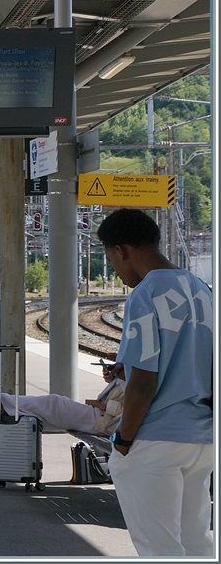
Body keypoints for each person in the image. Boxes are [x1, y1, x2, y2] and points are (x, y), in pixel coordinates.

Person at [99, 208, 212, 558]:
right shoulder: (201, 289)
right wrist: (127, 369)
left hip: (155, 439)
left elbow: (144, 383)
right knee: (196, 543)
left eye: (111, 259)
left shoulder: (146, 293)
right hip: (201, 439)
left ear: (120, 250)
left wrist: (124, 440)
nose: (116, 269)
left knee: (159, 549)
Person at [0, 362, 126, 434]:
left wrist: (102, 406)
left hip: (105, 419)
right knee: (49, 408)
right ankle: (1, 403)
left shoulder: (142, 381)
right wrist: (113, 377)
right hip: (100, 415)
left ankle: (0, 404)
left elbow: (129, 410)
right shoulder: (138, 373)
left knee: (54, 403)